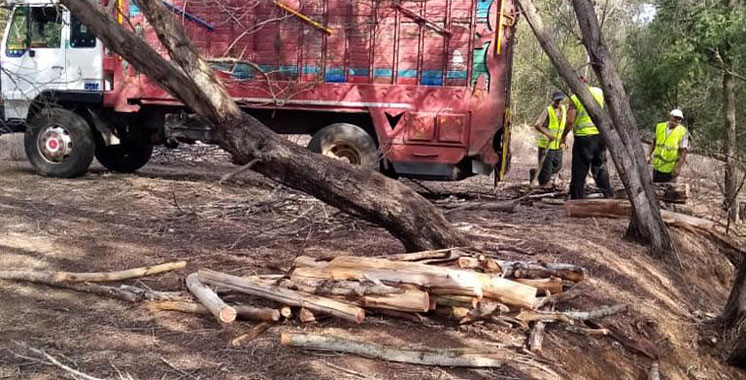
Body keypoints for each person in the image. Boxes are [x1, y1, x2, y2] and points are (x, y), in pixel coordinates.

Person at [560, 76, 613, 199]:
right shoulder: (599, 92)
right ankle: (608, 195)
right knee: (600, 166)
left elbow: (570, 122)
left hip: (583, 138)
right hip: (600, 136)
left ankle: (576, 198)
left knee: (579, 169)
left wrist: (564, 136)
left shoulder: (574, 98)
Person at [531, 90, 566, 187]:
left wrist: (564, 139)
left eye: (560, 100)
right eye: (556, 101)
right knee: (546, 170)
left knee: (557, 166)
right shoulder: (548, 110)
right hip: (546, 144)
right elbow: (537, 125)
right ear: (553, 100)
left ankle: (551, 185)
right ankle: (543, 185)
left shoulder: (564, 109)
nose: (558, 103)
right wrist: (548, 135)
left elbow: (564, 126)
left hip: (558, 145)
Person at [647, 109, 689, 183]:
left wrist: (678, 167)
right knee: (656, 188)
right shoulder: (660, 127)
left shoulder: (683, 132)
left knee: (667, 191)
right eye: (676, 117)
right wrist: (648, 155)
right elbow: (654, 142)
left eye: (680, 119)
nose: (677, 120)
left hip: (670, 170)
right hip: (656, 166)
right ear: (670, 116)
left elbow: (683, 151)